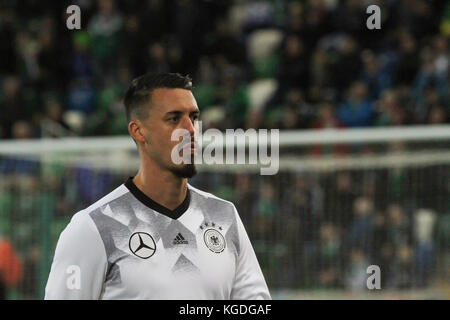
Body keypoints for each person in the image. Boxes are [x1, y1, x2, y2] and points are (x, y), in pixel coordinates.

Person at [45, 72, 271, 300]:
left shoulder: (224, 216)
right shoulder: (92, 227)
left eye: (193, 117)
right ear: (138, 131)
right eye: (174, 119)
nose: (190, 130)